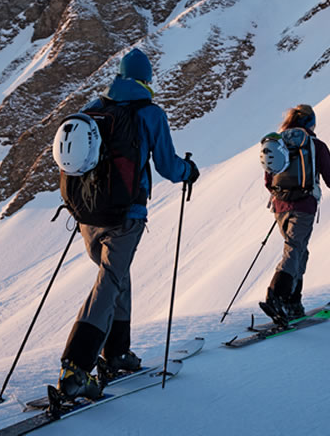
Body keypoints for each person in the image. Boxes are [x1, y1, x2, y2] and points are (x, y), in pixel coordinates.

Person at [57, 48, 199, 400]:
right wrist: (189, 170)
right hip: (125, 217)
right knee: (109, 283)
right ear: (146, 80)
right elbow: (167, 166)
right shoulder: (150, 113)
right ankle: (75, 366)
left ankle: (117, 353)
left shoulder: (94, 108)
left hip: (87, 216)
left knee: (118, 278)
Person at [261, 104, 330, 322]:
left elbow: (268, 179)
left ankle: (293, 301)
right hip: (304, 206)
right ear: (310, 122)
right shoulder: (315, 145)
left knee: (300, 250)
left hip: (279, 206)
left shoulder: (277, 144)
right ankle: (276, 296)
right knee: (294, 249)